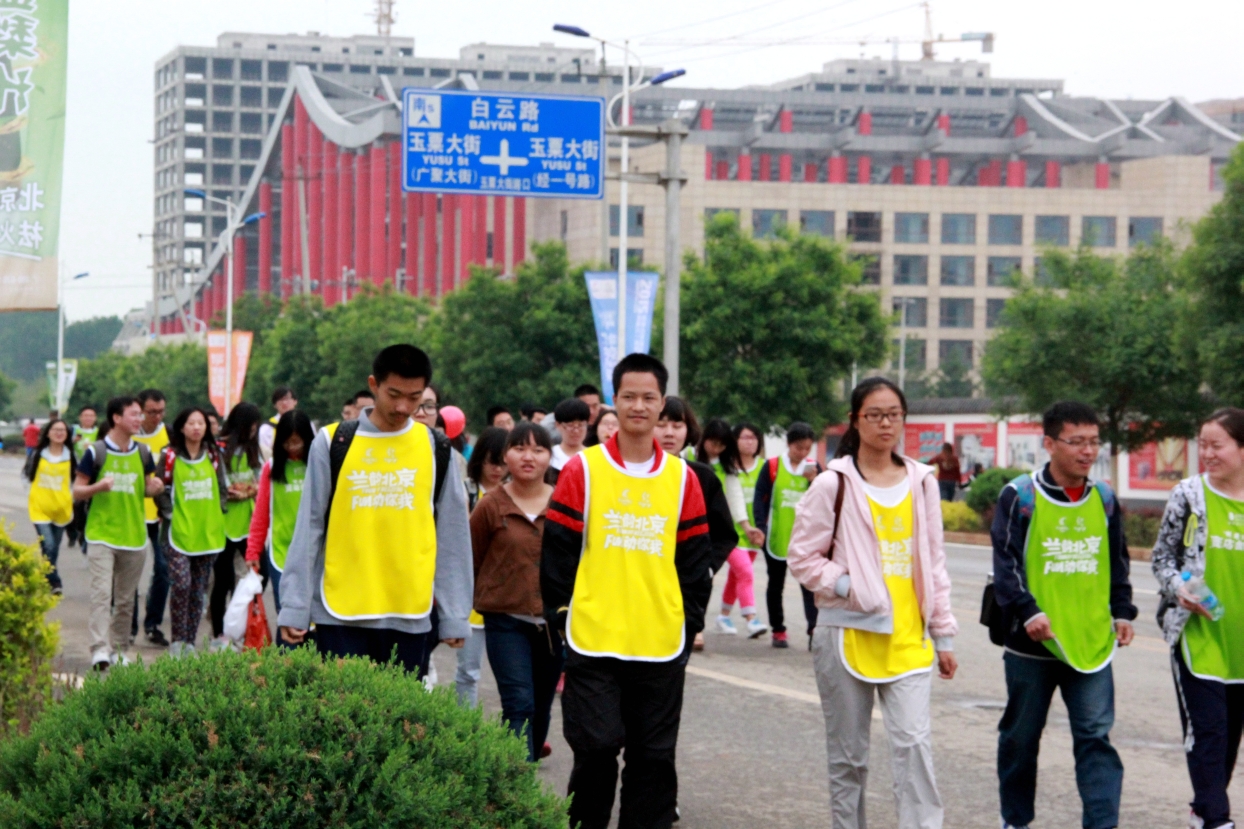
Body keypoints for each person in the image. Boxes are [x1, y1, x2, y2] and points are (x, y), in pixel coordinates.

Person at [542, 354, 713, 829]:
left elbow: (694, 565)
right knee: (596, 749)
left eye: (649, 397)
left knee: (653, 759)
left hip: (660, 644)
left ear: (663, 403)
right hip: (593, 640)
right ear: (613, 401)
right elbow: (557, 556)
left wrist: (688, 625)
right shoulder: (584, 470)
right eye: (629, 397)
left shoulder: (683, 478)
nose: (639, 406)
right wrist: (561, 617)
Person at [787, 377, 958, 829]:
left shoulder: (922, 482)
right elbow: (801, 556)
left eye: (894, 415)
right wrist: (848, 585)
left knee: (914, 746)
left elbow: (934, 562)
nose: (886, 424)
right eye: (875, 415)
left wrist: (943, 634)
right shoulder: (833, 484)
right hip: (845, 635)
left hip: (907, 638)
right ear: (855, 420)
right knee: (849, 758)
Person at [278, 345, 472, 679]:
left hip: (409, 611)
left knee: (400, 711)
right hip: (340, 610)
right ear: (374, 384)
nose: (403, 407)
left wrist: (455, 613)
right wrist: (295, 606)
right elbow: (309, 527)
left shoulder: (435, 447)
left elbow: (452, 534)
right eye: (394, 394)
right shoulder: (333, 442)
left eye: (414, 397)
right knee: (342, 709)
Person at [991, 400, 1136, 829]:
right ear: (1050, 444)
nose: (1087, 451)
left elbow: (1117, 562)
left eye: (1093, 442)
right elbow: (1006, 565)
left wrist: (1123, 612)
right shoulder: (1020, 497)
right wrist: (1028, 611)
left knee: (1095, 738)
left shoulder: (1104, 499)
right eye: (1077, 442)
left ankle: (1102, 824)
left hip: (1091, 643)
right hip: (1032, 644)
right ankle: (1016, 820)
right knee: (1020, 739)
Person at [1152, 407, 1244, 829]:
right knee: (1208, 731)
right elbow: (1162, 558)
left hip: (1239, 639)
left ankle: (1202, 809)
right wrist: (1179, 589)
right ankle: (1216, 820)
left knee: (1230, 737)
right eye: (1202, 444)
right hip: (1198, 634)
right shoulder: (1188, 495)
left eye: (1216, 445)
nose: (1206, 453)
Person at [473, 421, 560, 760]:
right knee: (518, 703)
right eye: (519, 448)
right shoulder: (490, 505)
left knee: (541, 706)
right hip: (505, 621)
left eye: (538, 450)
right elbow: (471, 557)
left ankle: (527, 763)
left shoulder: (564, 503)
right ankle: (517, 781)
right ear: (506, 455)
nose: (528, 457)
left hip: (553, 625)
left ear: (549, 457)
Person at [72, 396, 163, 671]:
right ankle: (99, 649)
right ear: (116, 418)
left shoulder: (143, 452)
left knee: (126, 600)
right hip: (101, 535)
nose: (139, 419)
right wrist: (98, 487)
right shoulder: (96, 452)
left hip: (134, 536)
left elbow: (145, 488)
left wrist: (155, 488)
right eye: (134, 414)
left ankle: (120, 649)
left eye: (140, 415)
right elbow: (77, 491)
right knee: (102, 594)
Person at [656, 398, 745, 653]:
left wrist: (706, 569)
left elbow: (725, 534)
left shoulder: (702, 477)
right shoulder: (628, 475)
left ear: (689, 431)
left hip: (686, 591)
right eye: (661, 425)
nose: (670, 433)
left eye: (677, 425)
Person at [158, 406, 228, 656]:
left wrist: (218, 511)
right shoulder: (169, 455)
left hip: (207, 533)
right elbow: (160, 489)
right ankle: (177, 641)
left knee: (198, 590)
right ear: (181, 427)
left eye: (201, 423)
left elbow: (222, 487)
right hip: (177, 533)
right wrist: (170, 514)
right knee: (181, 584)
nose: (197, 427)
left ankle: (189, 642)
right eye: (191, 423)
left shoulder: (214, 455)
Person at [246, 409, 316, 647]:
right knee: (287, 617)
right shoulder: (272, 468)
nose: (292, 447)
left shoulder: (318, 465)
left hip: (315, 554)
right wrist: (253, 551)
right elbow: (261, 515)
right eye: (287, 442)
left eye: (297, 442)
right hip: (281, 554)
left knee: (315, 618)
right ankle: (287, 662)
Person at [754, 421, 823, 648]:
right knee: (776, 585)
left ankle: (813, 629)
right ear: (788, 444)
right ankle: (778, 630)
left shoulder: (814, 468)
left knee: (809, 587)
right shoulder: (772, 466)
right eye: (798, 448)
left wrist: (814, 482)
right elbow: (759, 497)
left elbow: (824, 499)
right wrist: (760, 527)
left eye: (807, 448)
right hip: (776, 536)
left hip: (805, 539)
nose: (803, 453)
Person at [698, 418, 769, 639]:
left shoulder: (727, 467)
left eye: (722, 445)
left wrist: (747, 527)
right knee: (710, 577)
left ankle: (731, 617)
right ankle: (745, 618)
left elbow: (736, 498)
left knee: (738, 574)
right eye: (713, 443)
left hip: (725, 532)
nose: (716, 448)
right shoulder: (688, 457)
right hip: (695, 529)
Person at [455, 426, 510, 707]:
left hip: (505, 594)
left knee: (511, 676)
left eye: (502, 463)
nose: (497, 470)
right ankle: (466, 726)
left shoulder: (516, 493)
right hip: (471, 593)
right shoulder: (465, 489)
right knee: (468, 672)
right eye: (492, 462)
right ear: (480, 459)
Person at [209, 402, 263, 650]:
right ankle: (219, 633)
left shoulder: (252, 449)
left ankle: (243, 625)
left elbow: (259, 479)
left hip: (247, 523)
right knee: (222, 581)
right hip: (223, 522)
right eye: (251, 425)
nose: (254, 430)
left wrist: (253, 490)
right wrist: (228, 492)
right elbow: (216, 482)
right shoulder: (219, 449)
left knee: (258, 574)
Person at [134, 388, 170, 647]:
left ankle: (153, 623)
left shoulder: (170, 436)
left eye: (161, 411)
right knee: (129, 572)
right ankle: (128, 626)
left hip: (160, 516)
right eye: (151, 412)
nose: (156, 417)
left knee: (163, 569)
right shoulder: (127, 435)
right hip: (133, 514)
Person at [25, 418, 75, 595]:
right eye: (55, 429)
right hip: (40, 508)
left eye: (63, 430)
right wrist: (31, 495)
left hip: (61, 509)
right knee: (49, 545)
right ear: (47, 433)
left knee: (53, 550)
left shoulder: (71, 456)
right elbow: (27, 476)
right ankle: (55, 581)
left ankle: (44, 578)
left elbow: (75, 481)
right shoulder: (38, 454)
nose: (59, 433)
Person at [549, 397, 591, 484]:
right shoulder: (551, 457)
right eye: (570, 426)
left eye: (580, 425)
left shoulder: (594, 456)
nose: (576, 431)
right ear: (558, 425)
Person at [258, 385, 298, 461]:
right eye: (280, 400)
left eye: (287, 399)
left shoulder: (306, 425)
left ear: (295, 401)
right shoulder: (266, 428)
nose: (284, 403)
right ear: (275, 405)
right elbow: (264, 455)